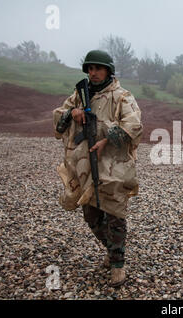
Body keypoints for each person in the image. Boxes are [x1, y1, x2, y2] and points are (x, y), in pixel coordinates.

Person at [52, 50, 143, 287]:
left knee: (114, 213)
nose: (93, 73)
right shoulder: (79, 95)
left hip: (114, 166)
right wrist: (72, 113)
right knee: (91, 214)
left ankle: (117, 264)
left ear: (108, 71)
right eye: (90, 69)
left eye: (98, 69)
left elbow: (134, 125)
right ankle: (112, 249)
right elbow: (59, 117)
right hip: (85, 166)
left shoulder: (122, 97)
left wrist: (108, 139)